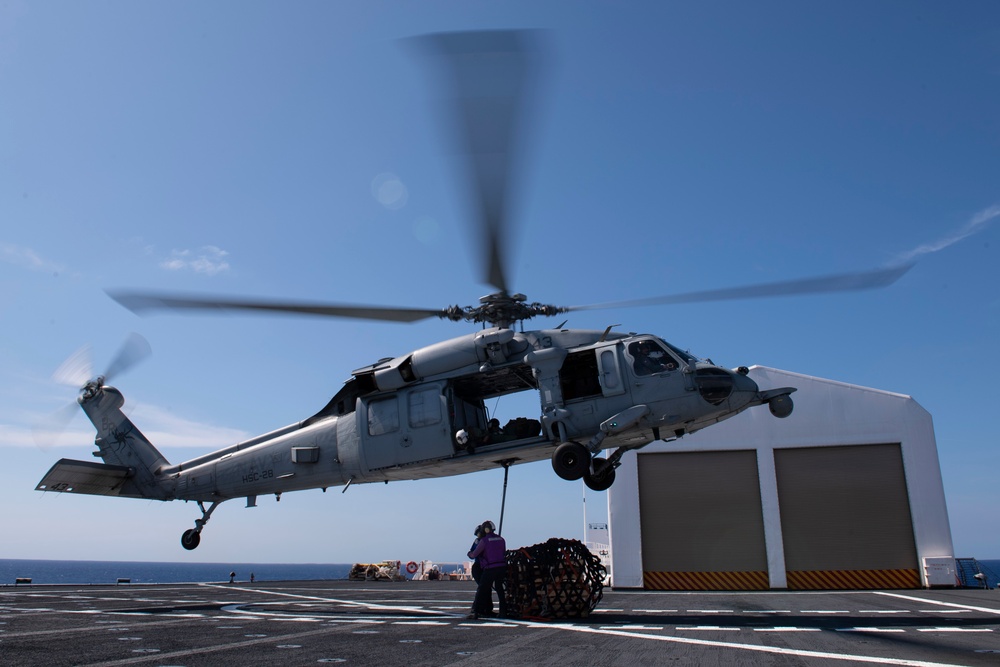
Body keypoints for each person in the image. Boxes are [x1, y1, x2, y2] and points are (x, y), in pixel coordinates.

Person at [467, 520, 507, 620]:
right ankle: (503, 612)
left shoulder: (484, 541)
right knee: (500, 589)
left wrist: (469, 554)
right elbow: (503, 553)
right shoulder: (501, 539)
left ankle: (476, 611)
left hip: (490, 568)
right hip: (501, 567)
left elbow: (474, 554)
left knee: (482, 589)